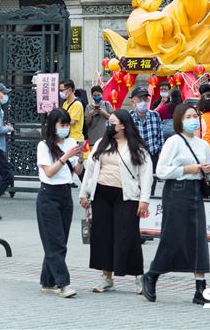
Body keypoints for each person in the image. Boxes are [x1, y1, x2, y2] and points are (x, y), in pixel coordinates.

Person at [142, 104, 210, 305]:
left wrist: (208, 171)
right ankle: (152, 274)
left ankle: (200, 289)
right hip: (176, 192)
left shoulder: (203, 145)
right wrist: (186, 169)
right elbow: (162, 170)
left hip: (196, 193)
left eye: (195, 115)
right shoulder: (173, 142)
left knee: (199, 239)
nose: (193, 120)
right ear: (179, 120)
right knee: (173, 238)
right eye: (188, 116)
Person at [79, 109, 153, 295]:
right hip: (101, 194)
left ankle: (138, 277)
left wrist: (144, 200)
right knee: (102, 236)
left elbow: (146, 175)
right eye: (108, 122)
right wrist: (84, 193)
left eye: (112, 123)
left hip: (127, 196)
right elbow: (90, 170)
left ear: (123, 125)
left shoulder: (137, 147)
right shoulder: (101, 144)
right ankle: (106, 277)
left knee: (128, 236)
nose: (109, 126)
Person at [35, 108, 84, 298]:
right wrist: (65, 156)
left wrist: (79, 158)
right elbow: (49, 172)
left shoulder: (71, 142)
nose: (64, 128)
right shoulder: (44, 146)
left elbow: (76, 172)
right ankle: (63, 283)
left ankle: (47, 281)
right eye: (61, 124)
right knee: (55, 242)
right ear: (53, 125)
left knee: (59, 240)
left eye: (66, 124)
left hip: (65, 193)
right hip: (48, 195)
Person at [129, 87, 163, 170]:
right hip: (135, 155)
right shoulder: (128, 117)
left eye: (145, 99)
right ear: (133, 102)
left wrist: (161, 154)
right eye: (140, 99)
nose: (143, 102)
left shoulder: (155, 115)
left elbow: (160, 137)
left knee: (152, 180)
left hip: (152, 155)